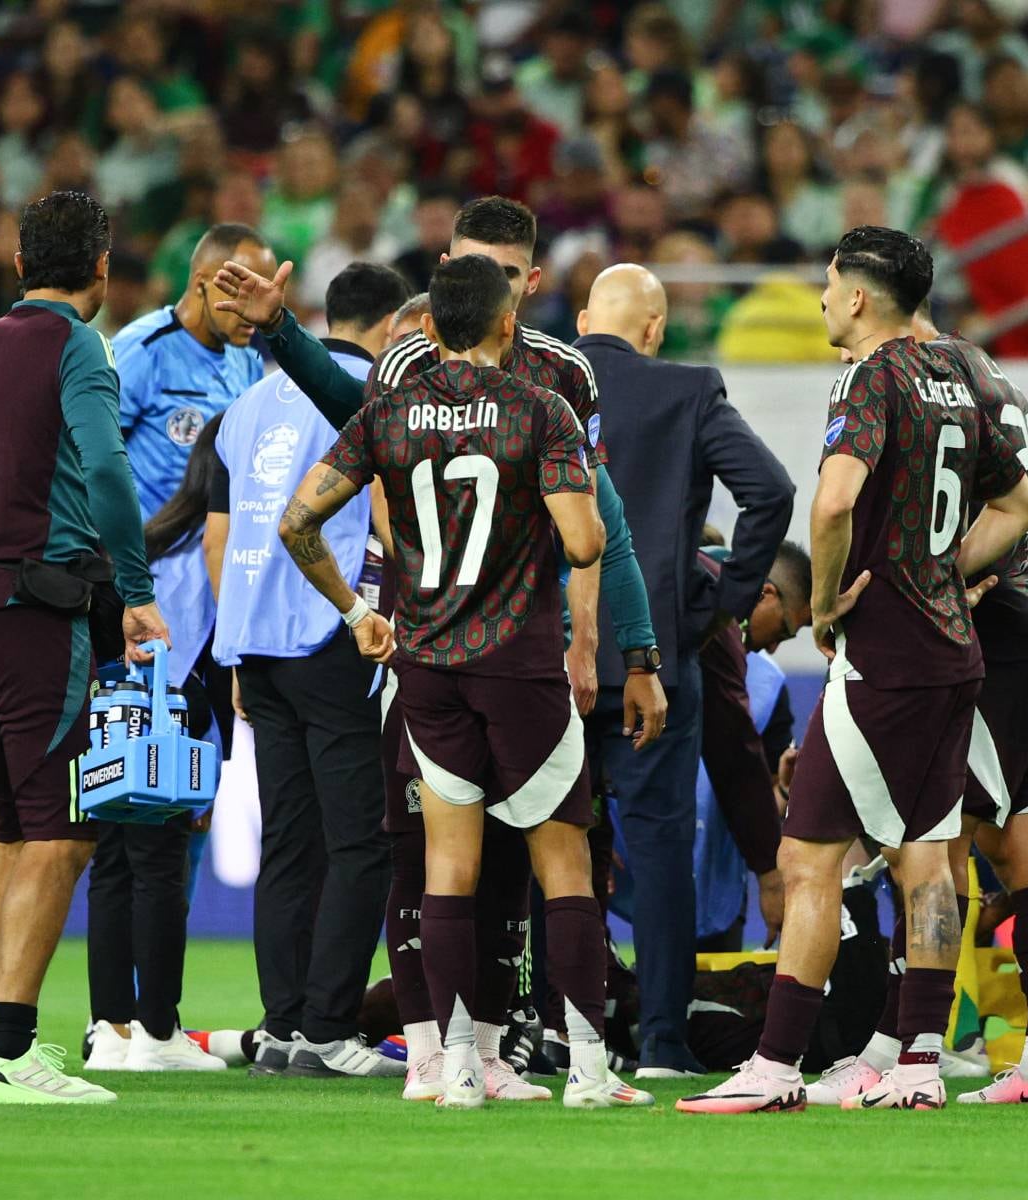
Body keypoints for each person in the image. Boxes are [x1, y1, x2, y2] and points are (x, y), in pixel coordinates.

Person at [210, 196, 664, 1093]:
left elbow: (324, 483)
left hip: (423, 656)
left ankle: (463, 1062)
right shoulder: (544, 406)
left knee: (447, 868)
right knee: (548, 861)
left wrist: (358, 611)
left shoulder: (415, 392)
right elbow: (592, 533)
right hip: (518, 656)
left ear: (524, 283)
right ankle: (535, 1062)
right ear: (503, 304)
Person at [677, 226, 1028, 1114]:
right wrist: (946, 569)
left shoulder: (870, 376)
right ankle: (916, 1064)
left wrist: (832, 599)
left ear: (860, 298)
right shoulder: (955, 375)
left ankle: (775, 1068)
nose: (823, 299)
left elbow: (834, 499)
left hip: (887, 656)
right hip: (953, 648)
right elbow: (1020, 503)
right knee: (927, 858)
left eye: (830, 283)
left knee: (807, 860)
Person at [806, 298, 1028, 1108]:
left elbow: (947, 516)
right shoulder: (988, 377)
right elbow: (1020, 502)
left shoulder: (907, 379)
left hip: (976, 629)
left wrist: (935, 578)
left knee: (940, 847)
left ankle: (920, 1048)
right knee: (1007, 844)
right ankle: (1025, 1054)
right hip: (1023, 619)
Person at [0, 190, 169, 1104]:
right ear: (101, 268)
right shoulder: (77, 347)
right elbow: (104, 467)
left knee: (14, 832)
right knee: (63, 831)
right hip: (36, 613)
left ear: (18, 266)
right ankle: (9, 1048)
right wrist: (135, 590)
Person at [575, 262, 796, 1077]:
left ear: (583, 320)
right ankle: (664, 1044)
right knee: (662, 848)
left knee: (551, 845)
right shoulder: (688, 390)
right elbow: (769, 491)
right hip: (658, 659)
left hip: (547, 661)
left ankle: (557, 1033)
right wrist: (720, 607)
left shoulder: (538, 385)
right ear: (654, 328)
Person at [206, 261, 413, 1080]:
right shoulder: (374, 399)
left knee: (290, 844)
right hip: (334, 636)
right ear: (393, 327)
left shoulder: (245, 408)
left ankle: (285, 1025)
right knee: (360, 841)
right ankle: (330, 1028)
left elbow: (222, 537)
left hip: (253, 642)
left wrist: (229, 643)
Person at [83, 415, 227, 1074]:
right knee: (161, 872)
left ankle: (109, 1029)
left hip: (107, 716)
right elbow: (209, 651)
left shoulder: (143, 542)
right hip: (172, 718)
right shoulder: (216, 545)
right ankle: (158, 1032)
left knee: (113, 869)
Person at [692, 539, 813, 950]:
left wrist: (781, 789)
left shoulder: (770, 685)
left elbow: (753, 789)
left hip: (719, 886)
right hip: (636, 864)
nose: (776, 646)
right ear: (765, 594)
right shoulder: (691, 629)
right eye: (782, 630)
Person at [113, 223, 274, 520]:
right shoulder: (143, 349)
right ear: (202, 283)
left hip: (213, 551)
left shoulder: (249, 362)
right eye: (243, 292)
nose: (257, 311)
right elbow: (89, 455)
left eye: (264, 294)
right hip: (149, 553)